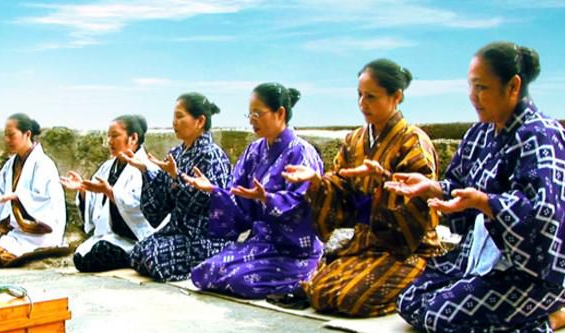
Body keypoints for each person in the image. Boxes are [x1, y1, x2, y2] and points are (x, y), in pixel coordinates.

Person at [389, 42, 565, 333]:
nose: (472, 97)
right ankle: (525, 315)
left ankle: (548, 320)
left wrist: (487, 203)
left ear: (513, 86)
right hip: (480, 255)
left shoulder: (544, 138)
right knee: (409, 299)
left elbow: (545, 215)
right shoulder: (480, 134)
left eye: (481, 88)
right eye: (471, 87)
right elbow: (460, 187)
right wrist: (433, 187)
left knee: (444, 320)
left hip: (536, 270)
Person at [282, 59, 443, 317]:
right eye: (359, 95)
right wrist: (318, 182)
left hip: (406, 247)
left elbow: (421, 196)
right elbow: (341, 186)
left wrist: (385, 181)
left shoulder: (413, 140)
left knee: (350, 299)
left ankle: (420, 282)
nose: (362, 104)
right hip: (365, 243)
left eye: (371, 96)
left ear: (396, 97)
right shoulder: (355, 140)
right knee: (319, 291)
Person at [185, 83, 324, 299]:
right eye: (249, 114)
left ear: (280, 113)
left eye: (257, 114)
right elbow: (238, 197)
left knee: (239, 280)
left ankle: (303, 275)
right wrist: (214, 190)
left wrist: (268, 199)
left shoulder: (302, 152)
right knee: (204, 271)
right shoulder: (254, 151)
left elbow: (303, 202)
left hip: (292, 250)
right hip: (260, 242)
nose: (251, 120)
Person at [121, 93, 232, 281]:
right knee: (139, 251)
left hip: (204, 236)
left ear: (200, 121)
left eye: (180, 116)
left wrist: (176, 176)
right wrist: (146, 172)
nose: (174, 122)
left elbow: (205, 203)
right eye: (174, 117)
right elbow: (161, 206)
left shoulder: (212, 155)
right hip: (178, 231)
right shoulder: (176, 154)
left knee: (154, 258)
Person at [62, 115, 162, 272]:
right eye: (108, 136)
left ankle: (135, 255)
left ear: (133, 138)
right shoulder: (108, 167)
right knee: (80, 257)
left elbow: (143, 208)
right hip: (112, 236)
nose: (109, 141)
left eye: (114, 136)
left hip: (133, 238)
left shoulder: (147, 168)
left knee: (97, 255)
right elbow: (95, 197)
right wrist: (83, 190)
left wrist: (109, 192)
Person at [0, 113, 66, 268]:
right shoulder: (10, 165)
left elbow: (45, 202)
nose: (7, 140)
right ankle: (28, 259)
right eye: (5, 136)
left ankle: (40, 258)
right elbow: (0, 194)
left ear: (27, 134)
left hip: (39, 234)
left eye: (11, 135)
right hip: (17, 232)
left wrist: (15, 197)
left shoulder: (43, 164)